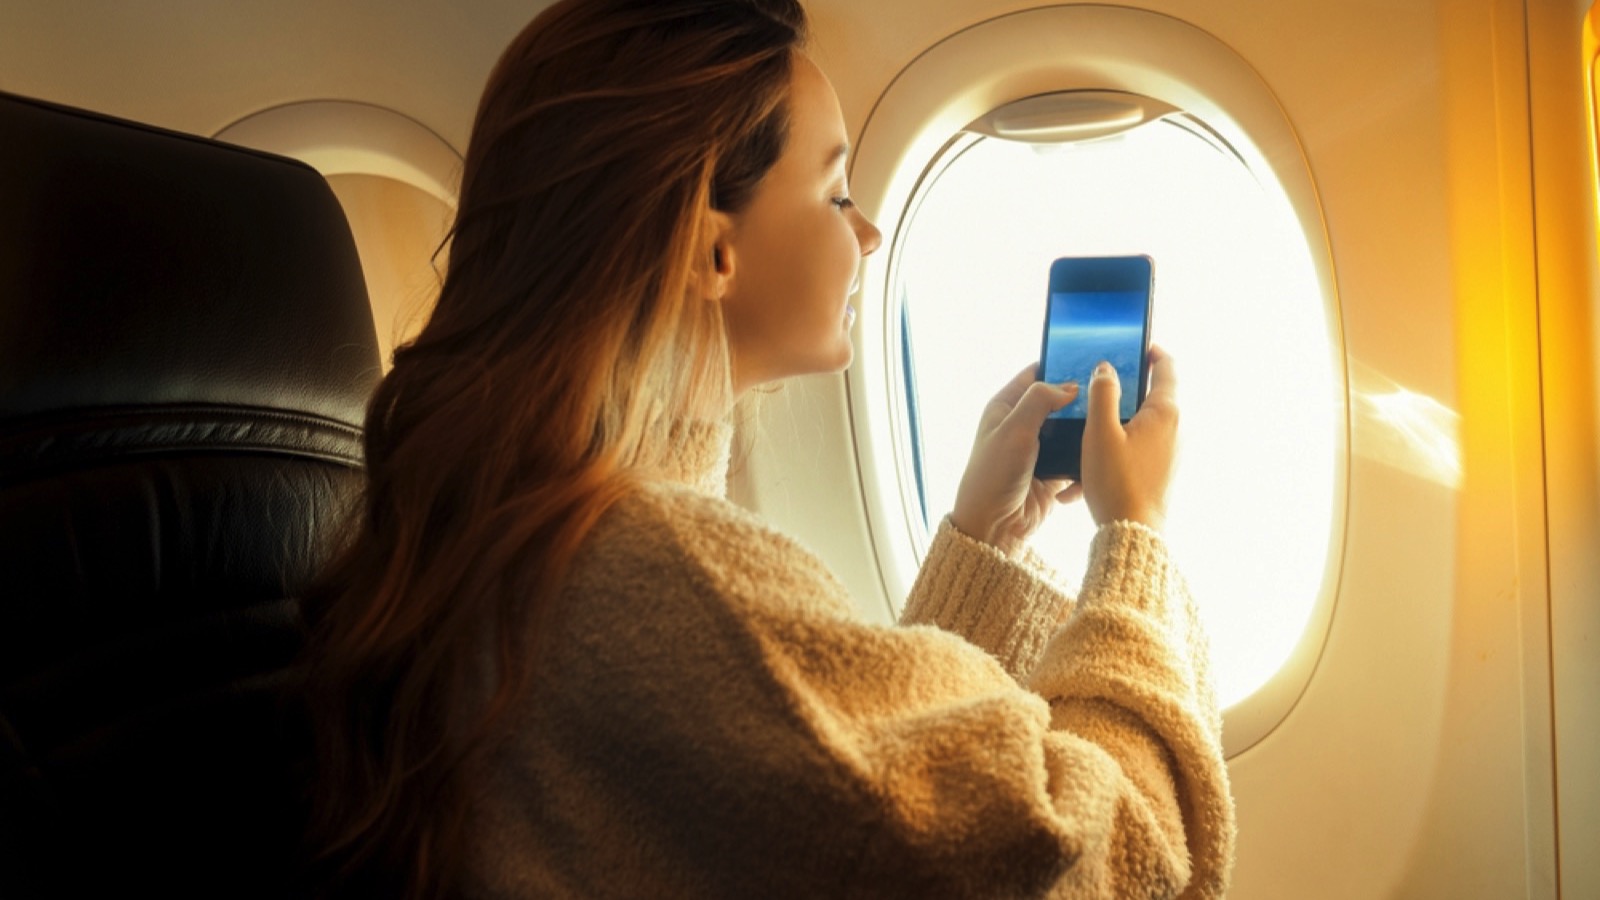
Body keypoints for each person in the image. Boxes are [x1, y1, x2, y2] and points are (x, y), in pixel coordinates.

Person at [301, 0, 1236, 897]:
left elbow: (851, 790)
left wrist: (980, 541)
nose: (868, 233)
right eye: (835, 193)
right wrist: (1135, 543)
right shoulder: (659, 569)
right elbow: (1096, 861)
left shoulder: (524, 513)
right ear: (713, 251)